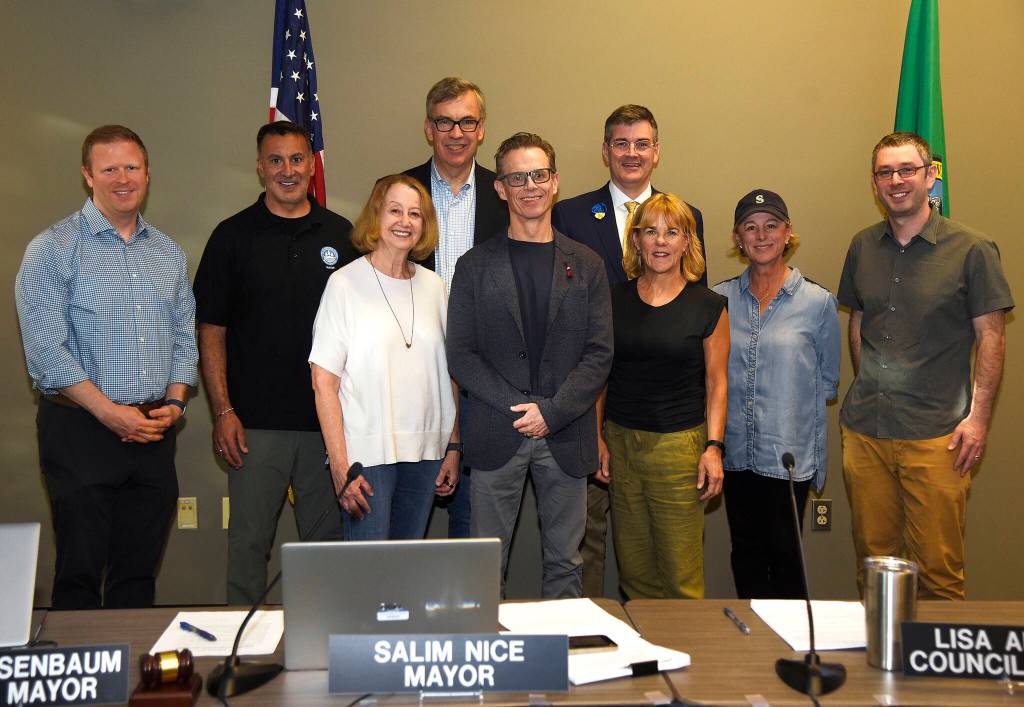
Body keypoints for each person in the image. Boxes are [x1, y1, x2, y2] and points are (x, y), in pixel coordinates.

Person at [15, 125, 198, 609]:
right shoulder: (52, 249)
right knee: (79, 572)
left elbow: (185, 334)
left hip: (153, 431)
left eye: (132, 167)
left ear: (147, 173)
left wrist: (176, 401)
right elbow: (45, 351)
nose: (123, 178)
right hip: (80, 431)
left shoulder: (168, 253)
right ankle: (81, 659)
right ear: (87, 175)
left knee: (137, 574)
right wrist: (109, 413)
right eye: (109, 168)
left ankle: (132, 658)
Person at [839, 131, 1013, 600]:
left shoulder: (973, 249)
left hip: (939, 436)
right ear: (874, 182)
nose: (896, 181)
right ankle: (883, 651)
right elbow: (859, 322)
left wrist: (978, 420)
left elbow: (992, 338)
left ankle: (933, 655)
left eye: (907, 170)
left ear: (930, 176)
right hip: (866, 433)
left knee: (938, 575)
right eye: (885, 172)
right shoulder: (861, 246)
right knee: (874, 569)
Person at [193, 121, 357, 605]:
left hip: (327, 426)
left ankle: (327, 638)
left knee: (328, 551)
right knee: (248, 547)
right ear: (260, 168)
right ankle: (242, 646)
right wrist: (223, 411)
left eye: (297, 159)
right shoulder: (232, 236)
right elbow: (211, 331)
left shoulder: (343, 235)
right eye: (276, 160)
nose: (288, 170)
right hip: (253, 426)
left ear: (312, 165)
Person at [447, 132, 613, 598]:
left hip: (567, 433)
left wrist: (552, 412)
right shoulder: (474, 266)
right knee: (485, 569)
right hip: (497, 432)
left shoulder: (588, 265)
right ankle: (488, 645)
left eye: (539, 174)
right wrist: (521, 409)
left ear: (555, 181)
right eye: (517, 178)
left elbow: (599, 352)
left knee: (566, 564)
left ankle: (564, 646)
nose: (530, 186)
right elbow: (461, 353)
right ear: (500, 188)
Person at [552, 104, 707, 597]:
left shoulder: (686, 215)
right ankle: (596, 632)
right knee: (588, 537)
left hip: (665, 418)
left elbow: (692, 312)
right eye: (621, 143)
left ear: (657, 152)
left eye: (642, 143)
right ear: (605, 151)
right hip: (593, 405)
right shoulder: (571, 215)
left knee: (666, 552)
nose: (632, 153)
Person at [310, 174, 460, 540]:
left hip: (427, 452)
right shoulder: (344, 284)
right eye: (395, 210)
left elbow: (449, 374)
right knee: (369, 566)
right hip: (366, 455)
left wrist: (453, 446)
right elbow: (323, 382)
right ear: (376, 216)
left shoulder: (435, 287)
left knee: (406, 565)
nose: (405, 221)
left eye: (415, 213)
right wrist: (340, 466)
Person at [599, 192, 727, 600]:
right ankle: (645, 643)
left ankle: (683, 644)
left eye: (672, 232)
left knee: (680, 577)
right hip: (621, 444)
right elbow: (600, 375)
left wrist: (713, 448)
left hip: (679, 449)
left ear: (687, 242)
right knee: (634, 573)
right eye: (650, 231)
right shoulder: (613, 300)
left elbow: (717, 382)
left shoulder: (709, 306)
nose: (660, 241)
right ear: (636, 240)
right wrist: (597, 437)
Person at [713, 189, 840, 599]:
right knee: (745, 555)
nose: (762, 235)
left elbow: (826, 384)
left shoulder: (818, 303)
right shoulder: (717, 300)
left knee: (787, 559)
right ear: (738, 238)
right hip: (735, 454)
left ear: (788, 233)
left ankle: (793, 639)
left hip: (787, 459)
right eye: (750, 227)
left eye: (771, 226)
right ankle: (754, 638)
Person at [400, 76, 509, 538]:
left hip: (483, 379)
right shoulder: (398, 193)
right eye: (445, 122)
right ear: (429, 128)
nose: (456, 133)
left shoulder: (507, 195)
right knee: (406, 520)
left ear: (481, 129)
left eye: (467, 122)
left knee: (472, 524)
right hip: (413, 374)